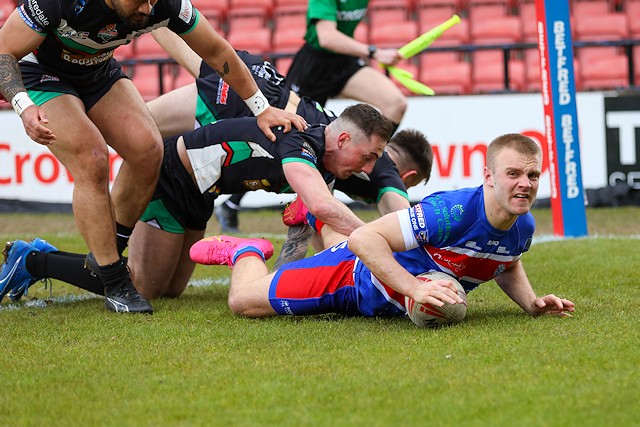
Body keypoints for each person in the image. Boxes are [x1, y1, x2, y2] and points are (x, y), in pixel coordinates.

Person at [0, 1, 305, 313]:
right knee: (92, 159)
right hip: (41, 75)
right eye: (139, 0)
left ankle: (108, 250)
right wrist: (23, 106)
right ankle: (116, 283)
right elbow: (3, 52)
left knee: (148, 148)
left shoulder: (165, 3)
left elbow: (216, 50)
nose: (147, 8)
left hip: (97, 71)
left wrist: (261, 108)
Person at [0, 103, 393, 304]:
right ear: (343, 141)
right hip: (169, 176)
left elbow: (301, 228)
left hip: (202, 192)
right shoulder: (299, 142)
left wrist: (281, 287)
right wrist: (379, 238)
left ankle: (40, 259)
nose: (369, 169)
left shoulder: (325, 168)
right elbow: (324, 209)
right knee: (141, 283)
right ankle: (32, 259)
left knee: (171, 290)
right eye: (369, 157)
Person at [190, 133, 576, 322]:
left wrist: (532, 303)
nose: (524, 183)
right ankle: (245, 251)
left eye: (532, 174)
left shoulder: (522, 226)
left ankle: (315, 214)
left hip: (378, 278)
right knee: (243, 302)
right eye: (513, 174)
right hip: (351, 278)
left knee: (350, 243)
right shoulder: (452, 212)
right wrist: (415, 288)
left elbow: (504, 261)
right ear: (489, 176)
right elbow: (364, 239)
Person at [286, 0, 407, 129]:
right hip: (314, 65)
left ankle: (371, 149)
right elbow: (326, 38)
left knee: (396, 105)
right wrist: (375, 53)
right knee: (295, 126)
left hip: (345, 60)